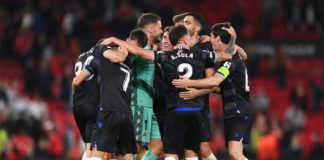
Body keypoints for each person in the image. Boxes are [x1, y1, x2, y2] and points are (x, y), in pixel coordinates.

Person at [103, 25, 233, 160]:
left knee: (170, 153)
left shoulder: (165, 56)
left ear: (172, 41)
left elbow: (139, 52)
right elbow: (226, 55)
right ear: (186, 39)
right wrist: (233, 47)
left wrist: (115, 40)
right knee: (191, 152)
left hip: (175, 109)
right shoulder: (200, 54)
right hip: (196, 110)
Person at [172, 23, 254, 160]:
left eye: (211, 37)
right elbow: (218, 88)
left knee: (235, 153)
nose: (210, 40)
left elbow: (215, 81)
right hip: (234, 111)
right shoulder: (231, 54)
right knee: (234, 154)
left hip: (239, 110)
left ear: (217, 39)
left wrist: (190, 83)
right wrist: (198, 91)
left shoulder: (231, 60)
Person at [72, 29, 148, 160]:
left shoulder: (87, 57)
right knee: (125, 155)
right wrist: (122, 50)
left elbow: (76, 80)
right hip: (122, 111)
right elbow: (119, 56)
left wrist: (77, 92)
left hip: (96, 106)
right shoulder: (128, 64)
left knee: (93, 151)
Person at [132, 13, 163, 160]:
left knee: (157, 146)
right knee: (135, 149)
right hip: (139, 103)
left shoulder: (150, 49)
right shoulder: (139, 47)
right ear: (150, 30)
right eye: (160, 28)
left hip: (148, 104)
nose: (162, 31)